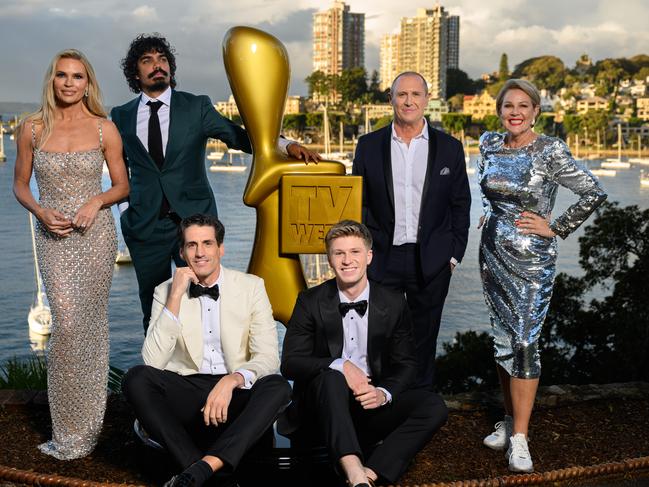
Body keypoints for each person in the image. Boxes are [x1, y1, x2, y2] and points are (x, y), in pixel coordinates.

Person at [110, 33, 320, 331]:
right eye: (148, 61)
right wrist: (125, 215)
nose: (158, 65)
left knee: (206, 304)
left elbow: (237, 136)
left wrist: (284, 145)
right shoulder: (121, 116)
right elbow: (119, 168)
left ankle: (205, 375)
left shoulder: (196, 107)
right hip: (145, 227)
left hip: (196, 223)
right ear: (136, 73)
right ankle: (158, 375)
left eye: (163, 59)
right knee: (154, 309)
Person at [477, 79, 607, 473]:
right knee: (502, 340)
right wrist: (488, 209)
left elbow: (592, 191)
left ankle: (521, 437)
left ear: (536, 111)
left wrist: (557, 226)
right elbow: (484, 183)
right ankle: (509, 420)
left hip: (532, 261)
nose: (514, 112)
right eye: (508, 105)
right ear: (499, 110)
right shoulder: (488, 144)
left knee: (525, 341)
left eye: (523, 105)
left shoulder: (550, 150)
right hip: (493, 253)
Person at [13, 49, 129, 459]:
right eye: (61, 75)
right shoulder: (31, 128)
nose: (68, 82)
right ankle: (68, 428)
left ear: (87, 84)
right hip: (53, 238)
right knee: (64, 323)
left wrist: (95, 202)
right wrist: (41, 210)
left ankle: (89, 425)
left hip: (95, 238)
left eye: (77, 76)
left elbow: (122, 186)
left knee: (90, 326)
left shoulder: (104, 130)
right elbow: (21, 185)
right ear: (52, 79)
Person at [122, 214, 291, 487]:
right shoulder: (165, 290)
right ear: (181, 251)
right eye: (191, 245)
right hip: (187, 391)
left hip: (235, 392)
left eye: (207, 243)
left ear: (220, 248)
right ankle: (207, 473)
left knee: (278, 387)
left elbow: (269, 357)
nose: (200, 253)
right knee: (136, 379)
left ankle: (198, 473)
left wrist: (232, 380)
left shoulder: (251, 287)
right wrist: (175, 296)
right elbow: (152, 361)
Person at [281, 220, 448, 487]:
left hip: (368, 406)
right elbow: (290, 363)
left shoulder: (393, 302)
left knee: (433, 405)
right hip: (322, 409)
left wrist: (383, 394)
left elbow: (407, 364)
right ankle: (353, 471)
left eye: (355, 252)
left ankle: (371, 472)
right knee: (331, 377)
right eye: (339, 253)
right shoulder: (310, 301)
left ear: (369, 256)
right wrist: (341, 365)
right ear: (330, 260)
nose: (347, 260)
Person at [352, 71, 471, 389]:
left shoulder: (449, 149)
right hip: (381, 258)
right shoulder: (368, 146)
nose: (408, 101)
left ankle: (419, 411)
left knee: (423, 341)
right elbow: (358, 207)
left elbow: (460, 205)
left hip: (431, 260)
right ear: (390, 100)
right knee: (377, 339)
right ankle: (378, 409)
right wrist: (363, 255)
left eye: (415, 94)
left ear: (427, 100)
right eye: (401, 94)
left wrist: (453, 256)